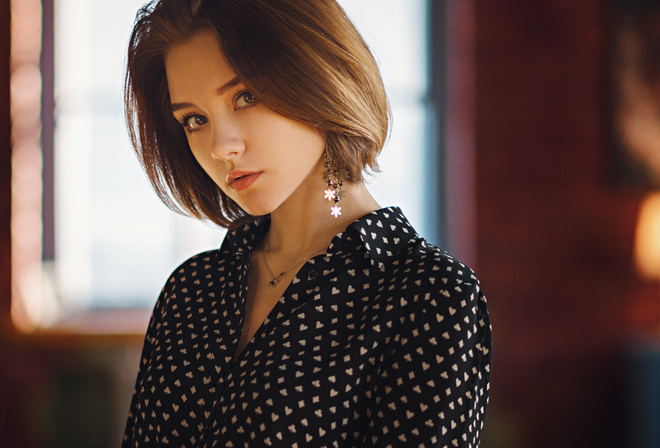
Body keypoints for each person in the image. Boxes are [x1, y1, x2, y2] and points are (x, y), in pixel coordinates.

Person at [121, 0, 492, 446]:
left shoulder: (428, 296)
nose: (221, 147)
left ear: (318, 79)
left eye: (246, 97)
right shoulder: (191, 291)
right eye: (195, 120)